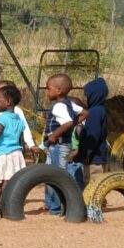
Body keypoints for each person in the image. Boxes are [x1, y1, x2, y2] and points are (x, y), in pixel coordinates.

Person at [41, 73, 88, 215]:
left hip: (58, 146)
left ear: (59, 90)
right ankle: (51, 206)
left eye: (49, 89)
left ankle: (57, 209)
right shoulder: (70, 104)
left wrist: (54, 135)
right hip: (60, 146)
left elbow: (67, 123)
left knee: (57, 176)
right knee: (49, 174)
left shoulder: (58, 107)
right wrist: (74, 124)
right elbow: (85, 113)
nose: (47, 92)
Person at [0, 80, 38, 174]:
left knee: (11, 174)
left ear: (9, 98)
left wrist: (31, 144)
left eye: (1, 91)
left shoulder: (17, 111)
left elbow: (25, 129)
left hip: (10, 150)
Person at [72, 77, 109, 182]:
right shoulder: (100, 110)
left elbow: (93, 135)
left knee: (93, 185)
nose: (84, 98)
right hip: (97, 156)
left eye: (86, 95)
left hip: (94, 159)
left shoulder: (94, 113)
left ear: (94, 96)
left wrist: (86, 154)